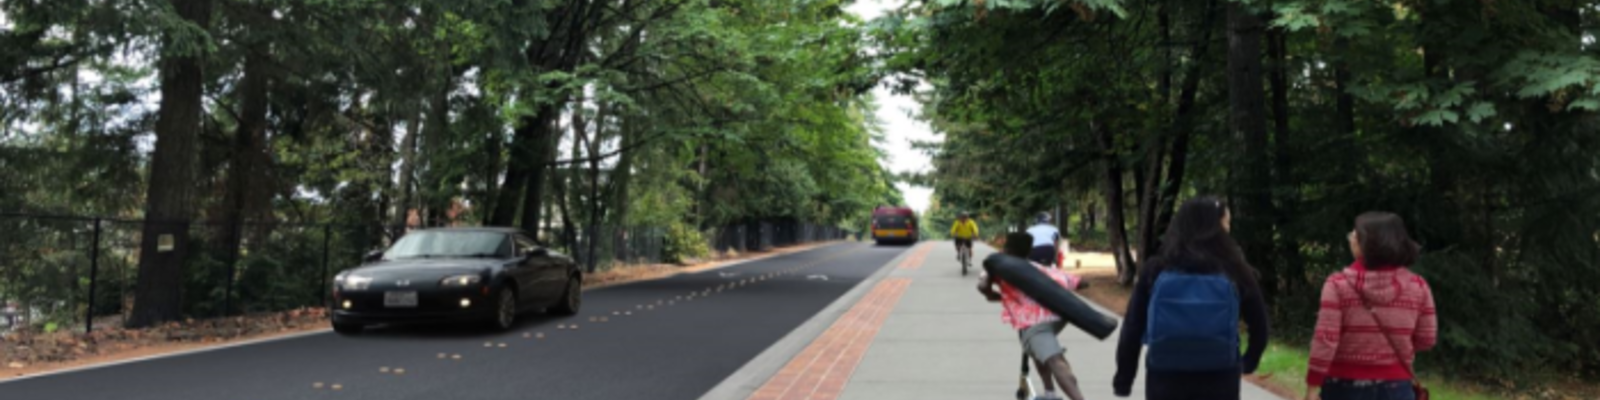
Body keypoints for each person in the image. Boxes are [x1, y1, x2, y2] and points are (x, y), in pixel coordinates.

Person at [1113, 197, 1270, 400]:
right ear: (1216, 229)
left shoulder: (1157, 268)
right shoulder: (1234, 269)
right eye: (1227, 223)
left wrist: (1123, 381)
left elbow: (1133, 327)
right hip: (1220, 377)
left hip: (1165, 378)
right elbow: (1260, 325)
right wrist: (1248, 362)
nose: (1229, 230)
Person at [1305, 212, 1437, 400]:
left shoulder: (1337, 284)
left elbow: (1325, 340)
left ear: (1365, 243)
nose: (1350, 239)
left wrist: (1312, 386)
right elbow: (1427, 339)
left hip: (1342, 386)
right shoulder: (1418, 286)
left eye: (1354, 235)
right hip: (1397, 387)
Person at [978, 232, 1088, 400]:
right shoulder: (1039, 269)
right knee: (1039, 349)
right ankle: (1049, 393)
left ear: (1006, 249)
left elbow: (982, 285)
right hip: (1059, 316)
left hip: (1035, 320)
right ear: (1029, 251)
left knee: (1055, 359)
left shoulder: (1001, 268)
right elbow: (1081, 283)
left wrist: (992, 295)